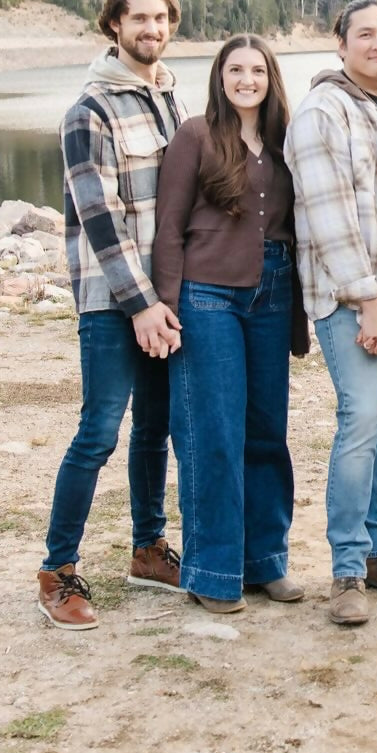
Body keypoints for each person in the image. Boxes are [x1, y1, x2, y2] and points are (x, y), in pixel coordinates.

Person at [37, 0, 186, 631]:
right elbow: (101, 221)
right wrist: (140, 305)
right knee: (100, 430)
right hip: (113, 300)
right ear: (113, 25)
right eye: (138, 19)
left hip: (164, 297)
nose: (151, 29)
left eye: (161, 19)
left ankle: (147, 548)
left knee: (156, 427)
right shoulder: (89, 109)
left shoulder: (172, 99)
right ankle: (57, 570)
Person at [284, 0, 377, 625]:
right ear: (339, 43)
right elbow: (327, 217)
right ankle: (347, 569)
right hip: (354, 297)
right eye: (365, 34)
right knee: (360, 422)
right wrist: (369, 300)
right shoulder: (323, 110)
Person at [153, 34, 306, 614]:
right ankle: (212, 570)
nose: (247, 79)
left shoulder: (285, 138)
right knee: (212, 431)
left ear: (271, 78)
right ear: (219, 76)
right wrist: (166, 301)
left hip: (273, 290)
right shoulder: (195, 134)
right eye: (235, 69)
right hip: (206, 293)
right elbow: (169, 226)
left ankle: (266, 561)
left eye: (258, 70)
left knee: (267, 428)